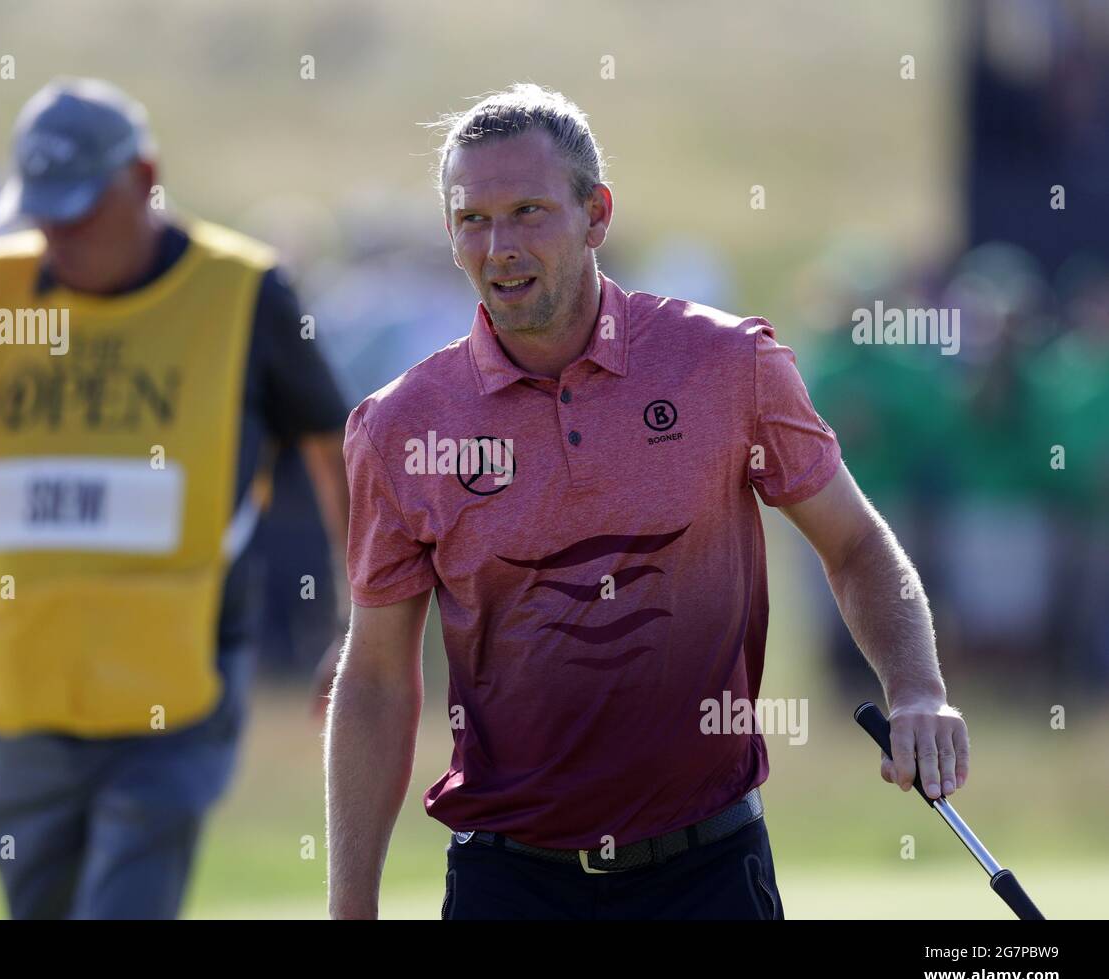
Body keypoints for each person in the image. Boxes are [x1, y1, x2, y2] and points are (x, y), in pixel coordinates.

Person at [324, 83, 969, 920]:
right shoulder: (398, 425)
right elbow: (376, 676)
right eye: (471, 220)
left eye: (528, 211)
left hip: (706, 871)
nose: (499, 247)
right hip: (510, 884)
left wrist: (916, 687)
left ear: (597, 214)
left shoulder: (727, 364)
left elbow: (853, 545)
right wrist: (350, 910)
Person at [0, 77, 350, 918]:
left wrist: (358, 626)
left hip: (179, 689)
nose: (60, 235)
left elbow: (332, 445)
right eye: (44, 213)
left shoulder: (242, 295)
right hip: (26, 691)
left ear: (144, 177)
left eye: (80, 209)